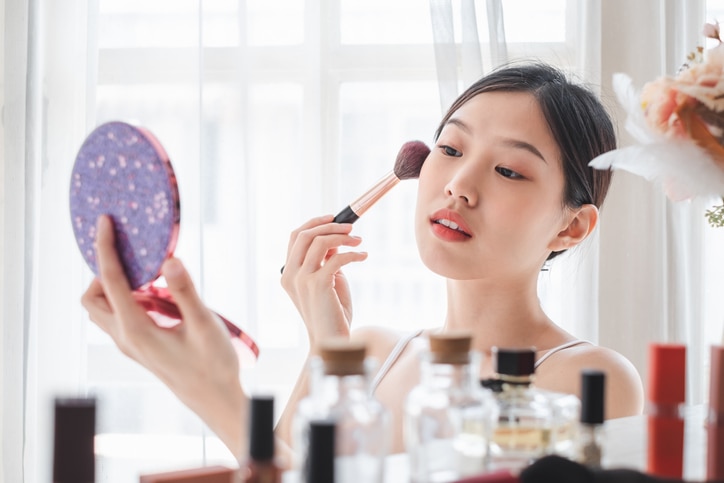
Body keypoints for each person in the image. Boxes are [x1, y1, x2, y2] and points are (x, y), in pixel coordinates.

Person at [82, 61, 644, 466]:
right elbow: (277, 472)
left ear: (572, 226)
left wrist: (210, 390)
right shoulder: (369, 351)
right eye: (449, 150)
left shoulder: (585, 379)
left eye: (510, 172)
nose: (458, 186)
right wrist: (328, 347)